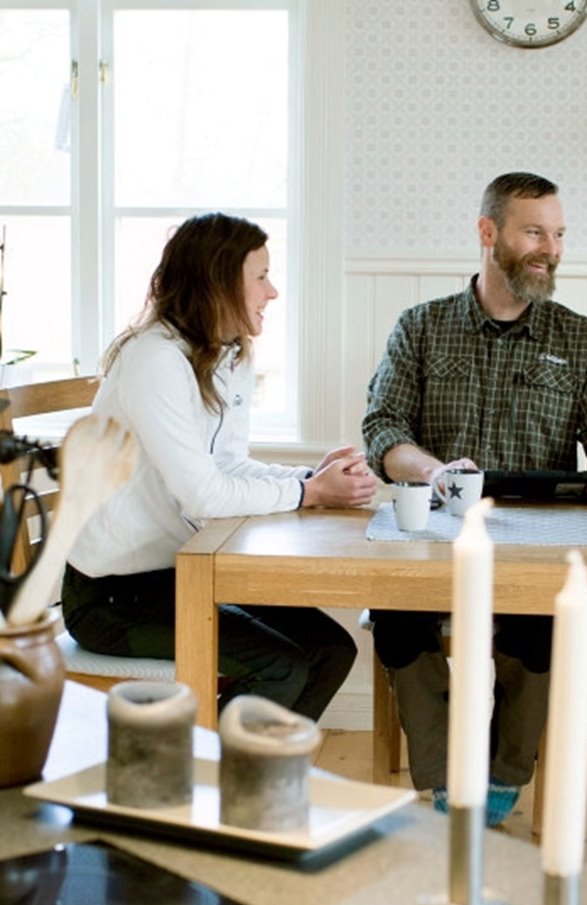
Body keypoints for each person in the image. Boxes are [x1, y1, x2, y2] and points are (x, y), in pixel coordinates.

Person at [362, 172, 587, 825]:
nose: (551, 248)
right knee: (398, 616)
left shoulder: (581, 340)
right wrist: (433, 472)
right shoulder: (421, 328)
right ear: (489, 233)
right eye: (535, 231)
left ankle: (505, 772)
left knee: (543, 626)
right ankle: (442, 775)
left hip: (538, 541)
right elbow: (383, 430)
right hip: (433, 534)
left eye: (559, 234)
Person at [63, 213, 378, 720]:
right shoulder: (155, 359)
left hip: (181, 575)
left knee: (331, 651)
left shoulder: (223, 357)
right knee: (280, 668)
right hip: (112, 597)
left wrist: (306, 480)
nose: (272, 292)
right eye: (260, 276)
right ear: (218, 281)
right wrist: (312, 494)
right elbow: (204, 495)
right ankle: (203, 786)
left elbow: (228, 464)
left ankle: (256, 787)